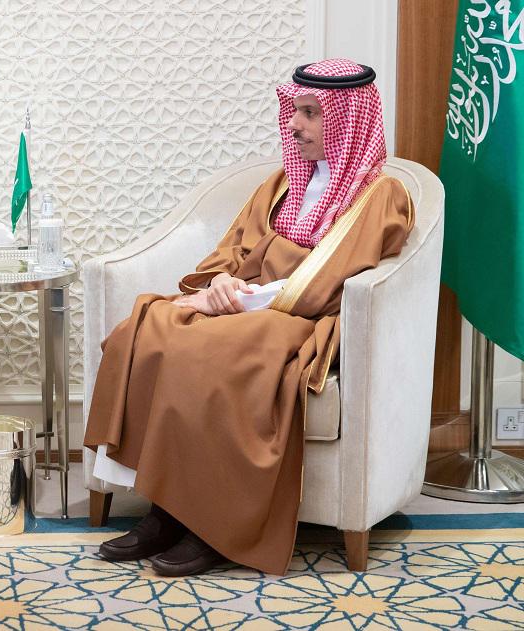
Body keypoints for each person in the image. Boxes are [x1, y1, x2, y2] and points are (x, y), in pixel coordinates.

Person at [83, 59, 414, 577]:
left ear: (348, 119)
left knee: (214, 350)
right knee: (151, 327)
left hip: (301, 316)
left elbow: (330, 280)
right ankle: (166, 511)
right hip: (244, 304)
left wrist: (248, 299)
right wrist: (219, 284)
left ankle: (215, 527)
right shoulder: (282, 182)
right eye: (295, 111)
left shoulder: (380, 195)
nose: (295, 125)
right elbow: (233, 249)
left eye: (310, 113)